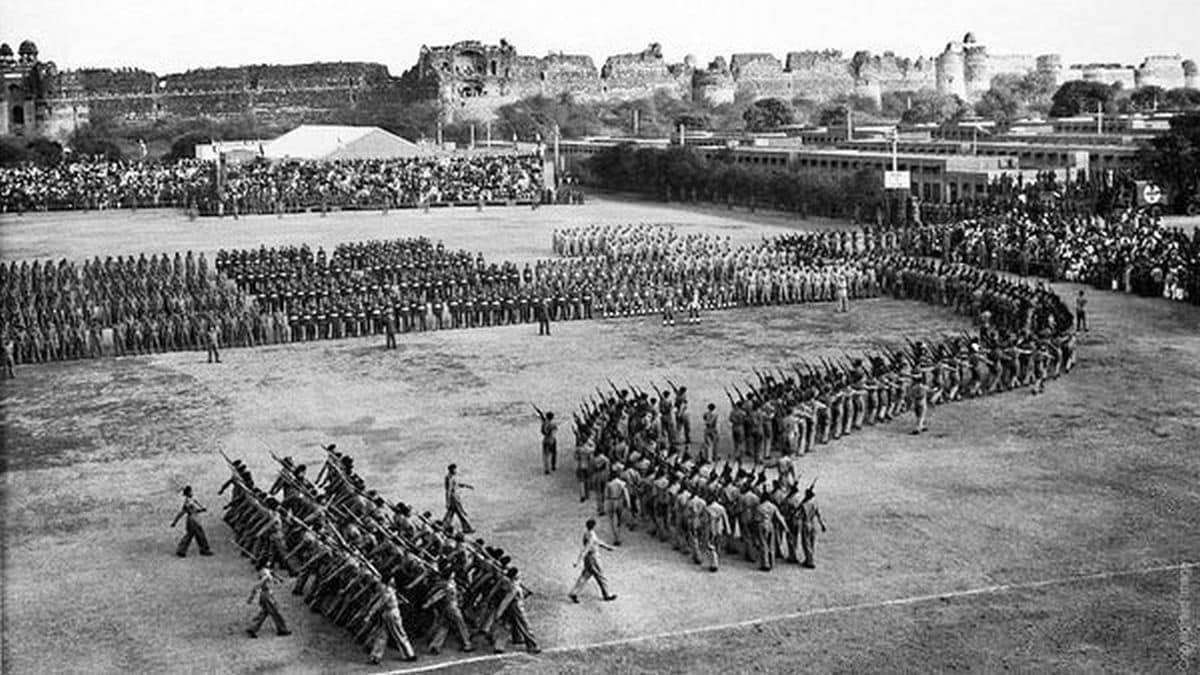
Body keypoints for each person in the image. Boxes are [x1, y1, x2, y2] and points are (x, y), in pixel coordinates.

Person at [367, 578, 417, 664]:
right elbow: (381, 601)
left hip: (390, 613)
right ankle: (409, 654)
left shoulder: (387, 590)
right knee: (394, 634)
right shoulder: (388, 589)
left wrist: (371, 612)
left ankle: (376, 656)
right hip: (391, 613)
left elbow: (381, 602)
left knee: (388, 635)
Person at [569, 518, 617, 603]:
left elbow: (597, 541)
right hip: (593, 558)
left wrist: (606, 547)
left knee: (585, 576)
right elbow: (586, 548)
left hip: (588, 559)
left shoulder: (587, 533)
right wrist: (578, 561)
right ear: (594, 526)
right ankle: (607, 595)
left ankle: (574, 593)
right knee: (601, 576)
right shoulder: (591, 535)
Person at [246, 559, 291, 637]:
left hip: (266, 595)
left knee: (264, 612)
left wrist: (279, 578)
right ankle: (282, 629)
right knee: (276, 612)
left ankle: (252, 628)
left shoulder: (265, 571)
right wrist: (251, 597)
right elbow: (257, 585)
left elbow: (272, 573)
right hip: (267, 595)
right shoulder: (265, 574)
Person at [171, 485, 213, 557]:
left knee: (190, 535)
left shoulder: (190, 501)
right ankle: (204, 549)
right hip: (193, 521)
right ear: (189, 492)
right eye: (191, 491)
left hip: (193, 520)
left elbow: (192, 511)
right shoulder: (189, 502)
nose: (192, 492)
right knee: (199, 535)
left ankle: (181, 550)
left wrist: (201, 510)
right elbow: (183, 512)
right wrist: (174, 522)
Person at [798, 484, 828, 569]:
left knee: (806, 543)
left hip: (806, 524)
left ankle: (809, 561)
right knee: (812, 543)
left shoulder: (804, 504)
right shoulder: (815, 503)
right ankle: (809, 558)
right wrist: (822, 525)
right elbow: (819, 515)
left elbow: (799, 515)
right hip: (813, 523)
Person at [442, 464, 475, 534]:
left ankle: (444, 526)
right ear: (451, 469)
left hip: (455, 497)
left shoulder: (452, 477)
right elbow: (448, 490)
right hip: (454, 498)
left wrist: (467, 486)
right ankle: (467, 528)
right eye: (455, 469)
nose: (456, 471)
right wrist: (447, 502)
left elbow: (457, 484)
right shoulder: (449, 478)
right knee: (460, 513)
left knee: (450, 513)